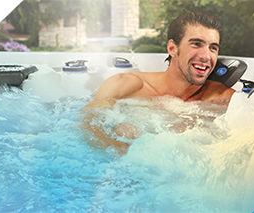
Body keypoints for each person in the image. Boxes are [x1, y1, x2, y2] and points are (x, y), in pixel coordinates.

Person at [81, 8, 235, 155]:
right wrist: (120, 152)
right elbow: (85, 123)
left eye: (213, 48)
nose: (206, 56)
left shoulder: (223, 98)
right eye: (196, 44)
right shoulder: (125, 85)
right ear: (172, 48)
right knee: (126, 131)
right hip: (127, 169)